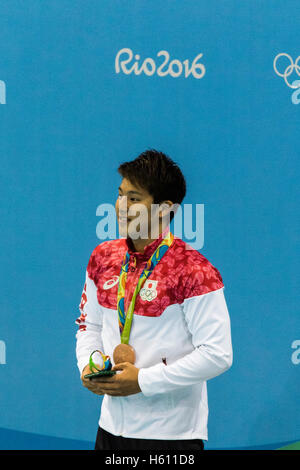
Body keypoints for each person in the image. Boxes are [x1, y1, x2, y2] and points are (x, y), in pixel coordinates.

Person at [75, 149, 233, 451]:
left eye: (134, 199)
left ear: (163, 208)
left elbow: (218, 354)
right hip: (109, 430)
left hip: (171, 437)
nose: (121, 206)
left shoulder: (194, 269)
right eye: (120, 195)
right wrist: (89, 365)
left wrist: (144, 381)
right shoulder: (103, 257)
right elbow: (89, 326)